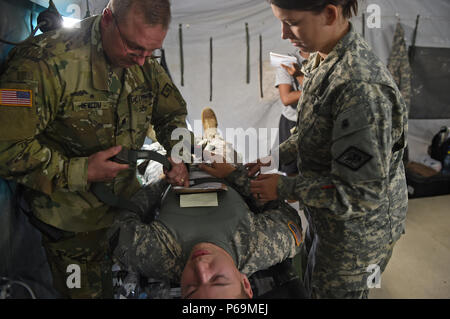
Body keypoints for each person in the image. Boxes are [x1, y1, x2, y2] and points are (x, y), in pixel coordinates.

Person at [0, 0, 191, 298]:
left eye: (150, 52)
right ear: (106, 20)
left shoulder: (142, 64)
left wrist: (180, 155)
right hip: (72, 227)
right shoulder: (42, 62)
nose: (142, 60)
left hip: (128, 214)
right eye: (134, 47)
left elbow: (173, 115)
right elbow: (7, 147)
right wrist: (81, 170)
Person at [247, 0, 408, 298]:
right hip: (327, 217)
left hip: (356, 234)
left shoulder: (360, 88)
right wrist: (274, 158)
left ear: (330, 14)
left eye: (291, 22)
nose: (283, 34)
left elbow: (361, 193)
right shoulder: (324, 60)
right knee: (311, 284)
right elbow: (312, 133)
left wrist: (283, 187)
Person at [109, 108, 305, 299]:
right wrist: (234, 175)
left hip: (170, 178)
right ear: (245, 283)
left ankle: (157, 138)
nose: (200, 267)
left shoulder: (155, 254)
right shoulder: (262, 245)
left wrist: (161, 182)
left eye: (191, 288)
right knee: (221, 149)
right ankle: (211, 134)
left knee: (159, 155)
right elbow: (285, 213)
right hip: (222, 172)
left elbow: (122, 220)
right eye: (218, 279)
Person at [276, 49, 309, 176]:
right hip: (292, 122)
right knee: (292, 172)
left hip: (317, 120)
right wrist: (318, 89)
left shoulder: (327, 58)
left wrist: (300, 77)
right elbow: (286, 98)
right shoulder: (288, 60)